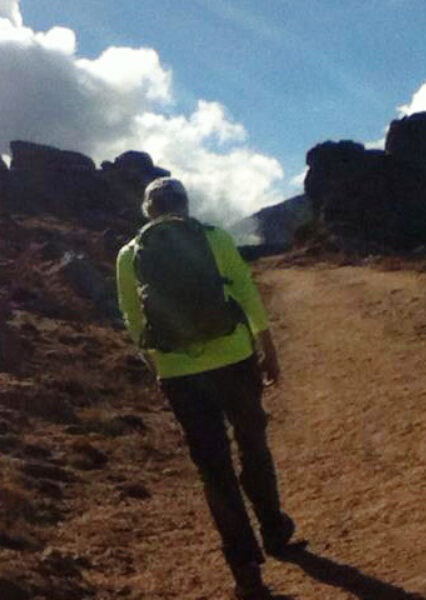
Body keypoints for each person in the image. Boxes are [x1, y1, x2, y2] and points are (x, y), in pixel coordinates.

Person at [115, 177, 295, 600]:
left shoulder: (129, 254)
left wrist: (158, 364)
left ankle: (245, 567)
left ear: (148, 210)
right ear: (186, 204)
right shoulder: (213, 237)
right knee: (253, 444)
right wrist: (267, 347)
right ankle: (274, 528)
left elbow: (132, 318)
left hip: (179, 373)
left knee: (213, 468)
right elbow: (246, 292)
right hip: (233, 358)